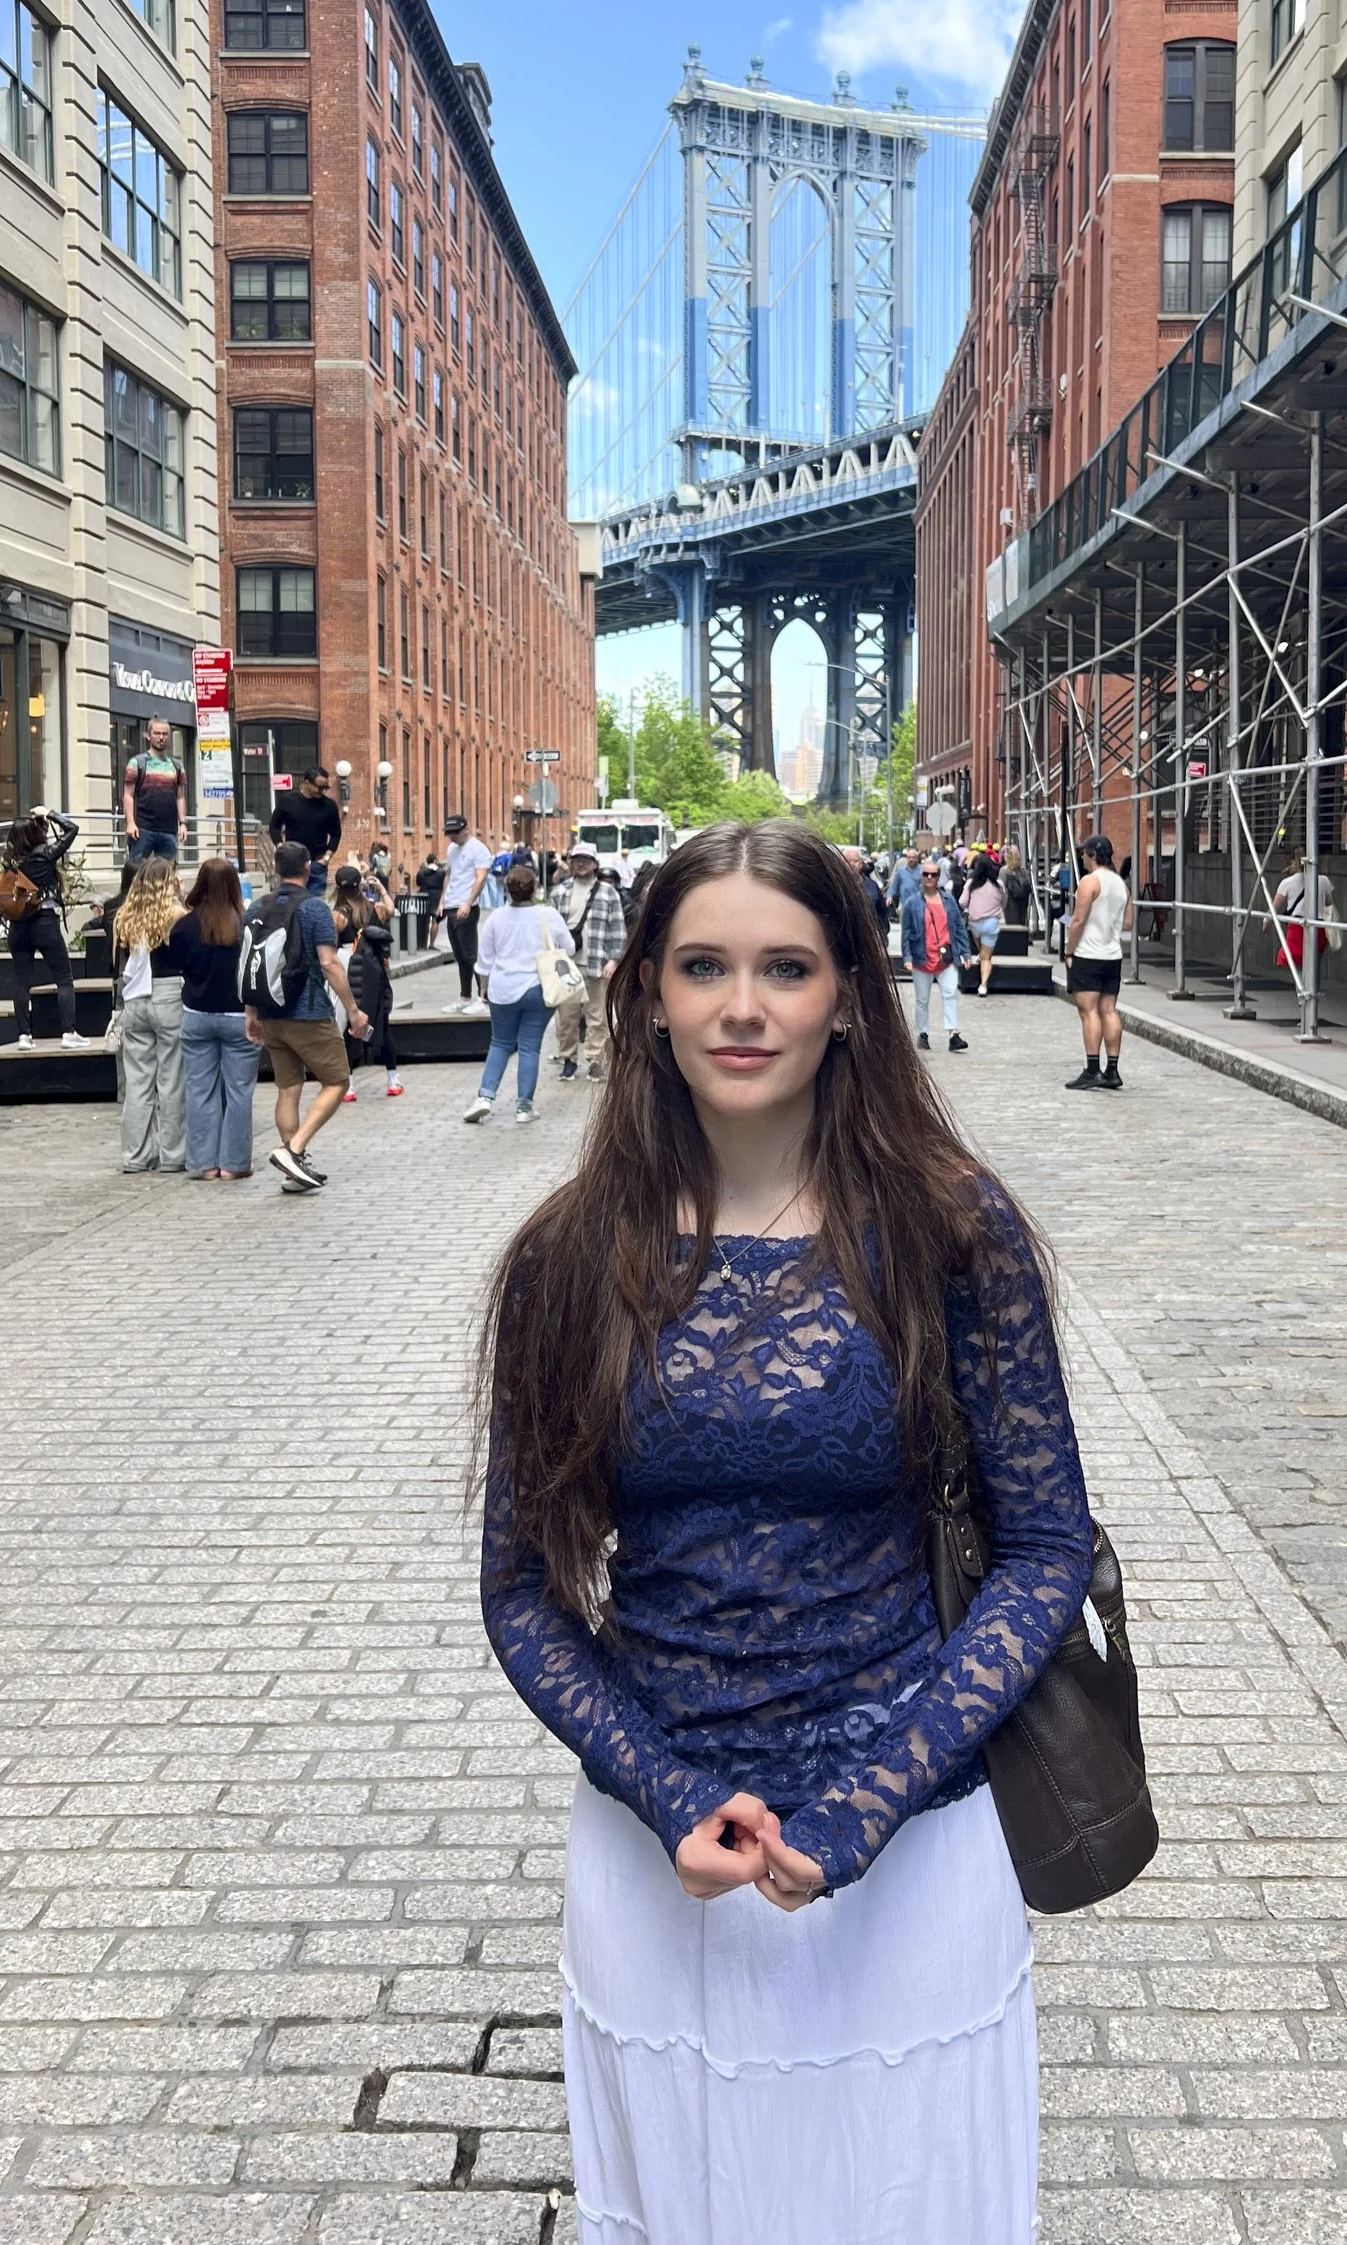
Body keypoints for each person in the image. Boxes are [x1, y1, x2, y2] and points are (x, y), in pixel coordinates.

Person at [477, 821, 1090, 2243]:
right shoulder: (565, 1260)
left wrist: (874, 1794)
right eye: (704, 966)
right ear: (646, 991)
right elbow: (518, 1590)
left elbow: (1048, 1546)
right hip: (662, 1863)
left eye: (785, 967)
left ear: (850, 995)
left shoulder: (954, 1231)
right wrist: (660, 1785)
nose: (742, 1006)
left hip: (909, 1862)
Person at [246, 838, 368, 1193]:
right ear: (308, 869)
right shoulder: (314, 909)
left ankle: (292, 1173)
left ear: (275, 869)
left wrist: (250, 1013)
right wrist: (353, 1009)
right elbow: (329, 963)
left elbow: (251, 965)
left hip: (270, 1012)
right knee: (337, 1081)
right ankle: (295, 1150)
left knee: (288, 1088)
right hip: (309, 1011)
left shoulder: (256, 908)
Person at [464, 863, 572, 1127]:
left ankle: (485, 1097)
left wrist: (483, 987)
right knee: (529, 1047)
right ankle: (524, 1106)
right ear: (535, 888)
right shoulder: (548, 915)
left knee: (500, 1043)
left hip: (502, 989)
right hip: (538, 988)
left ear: (507, 890)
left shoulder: (496, 918)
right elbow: (568, 946)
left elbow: (484, 960)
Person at [171, 856, 256, 1180]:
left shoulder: (185, 926)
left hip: (197, 1013)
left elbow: (178, 964)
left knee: (199, 1090)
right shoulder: (245, 925)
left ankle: (203, 1164)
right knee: (239, 1092)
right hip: (238, 1016)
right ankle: (234, 1165)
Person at [112, 856, 187, 1173]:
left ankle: (136, 1155)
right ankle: (173, 1154)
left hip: (135, 999)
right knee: (171, 1080)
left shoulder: (125, 916)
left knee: (138, 1082)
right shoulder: (176, 915)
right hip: (168, 993)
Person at [0, 807, 82, 1047]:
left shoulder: (10, 860)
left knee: (21, 980)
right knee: (63, 978)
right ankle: (68, 1033)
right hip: (44, 920)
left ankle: (24, 1035)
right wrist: (50, 814)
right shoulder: (45, 854)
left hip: (18, 925)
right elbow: (72, 829)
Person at [550, 838, 627, 1083]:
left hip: (597, 963)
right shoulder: (559, 892)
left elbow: (618, 929)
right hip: (566, 965)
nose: (580, 864)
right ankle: (569, 1059)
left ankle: (595, 1060)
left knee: (597, 1015)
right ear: (570, 864)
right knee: (567, 1016)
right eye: (576, 860)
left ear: (595, 864)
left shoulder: (608, 893)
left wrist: (614, 960)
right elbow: (549, 929)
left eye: (585, 860)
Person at [1063, 834, 1132, 1092]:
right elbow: (1128, 922)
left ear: (1092, 854)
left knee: (1088, 1011)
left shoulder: (1089, 882)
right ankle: (1112, 1069)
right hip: (1112, 954)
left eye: (1084, 853)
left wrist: (1069, 951)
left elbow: (1078, 920)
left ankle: (1092, 1069)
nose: (1081, 856)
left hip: (1088, 953)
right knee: (1109, 1010)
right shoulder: (1120, 884)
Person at [333, 866, 403, 1099]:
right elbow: (392, 909)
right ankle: (393, 1081)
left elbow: (329, 947)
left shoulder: (338, 915)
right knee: (381, 1023)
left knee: (346, 1025)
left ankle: (349, 1085)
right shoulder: (376, 910)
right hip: (374, 972)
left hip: (348, 972)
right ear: (360, 885)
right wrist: (381, 889)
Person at [901, 856, 970, 1054]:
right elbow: (906, 932)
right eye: (926, 874)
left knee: (950, 994)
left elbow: (957, 927)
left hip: (946, 957)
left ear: (939, 877)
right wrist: (907, 958)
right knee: (922, 999)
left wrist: (965, 952)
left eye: (934, 874)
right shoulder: (912, 903)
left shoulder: (948, 900)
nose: (930, 878)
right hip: (921, 957)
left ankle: (953, 1034)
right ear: (921, 877)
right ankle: (922, 1033)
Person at [442, 813, 494, 1000]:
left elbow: (481, 878)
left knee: (470, 955)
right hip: (451, 904)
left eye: (456, 832)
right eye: (449, 833)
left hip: (466, 906)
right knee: (460, 955)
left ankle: (484, 996)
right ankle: (465, 996)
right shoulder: (451, 849)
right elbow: (449, 875)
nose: (452, 837)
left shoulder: (478, 849)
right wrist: (442, 901)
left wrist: (468, 903)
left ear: (466, 829)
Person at [122, 716, 187, 865]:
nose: (161, 738)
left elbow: (180, 797)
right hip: (142, 829)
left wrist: (183, 824)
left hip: (169, 830)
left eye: (164, 734)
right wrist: (130, 823)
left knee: (167, 877)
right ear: (148, 735)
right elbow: (128, 795)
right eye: (157, 733)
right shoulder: (137, 763)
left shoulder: (177, 766)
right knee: (135, 873)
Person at [267, 767, 342, 892]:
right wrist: (280, 846)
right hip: (292, 862)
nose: (323, 791)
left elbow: (336, 834)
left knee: (314, 905)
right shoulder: (288, 801)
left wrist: (326, 859)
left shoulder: (329, 806)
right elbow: (274, 826)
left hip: (317, 863)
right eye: (320, 787)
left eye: (326, 787)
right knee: (290, 903)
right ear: (307, 783)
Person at [963, 852, 1006, 997]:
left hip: (974, 922)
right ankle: (983, 985)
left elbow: (962, 901)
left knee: (979, 945)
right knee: (987, 957)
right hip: (991, 922)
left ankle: (980, 956)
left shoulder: (971, 884)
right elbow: (1004, 901)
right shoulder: (998, 885)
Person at [415, 847, 447, 950]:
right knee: (435, 921)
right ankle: (432, 944)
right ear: (434, 860)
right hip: (437, 898)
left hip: (423, 897)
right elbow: (445, 884)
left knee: (423, 921)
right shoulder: (441, 873)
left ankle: (421, 943)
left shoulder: (421, 872)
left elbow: (418, 883)